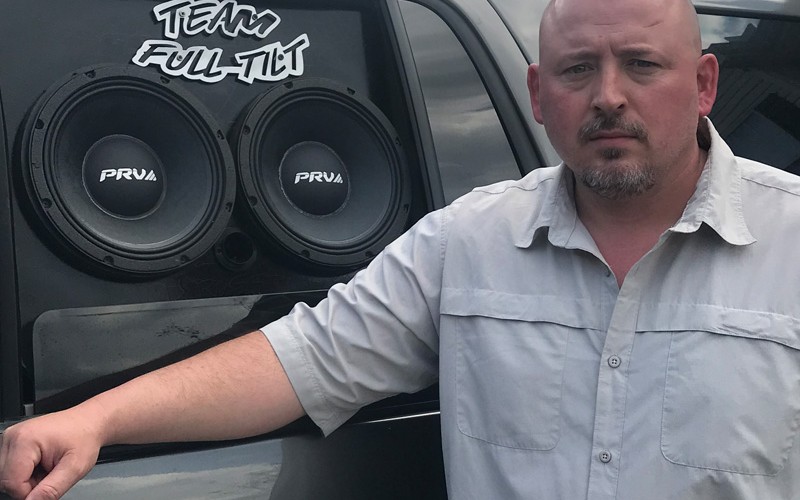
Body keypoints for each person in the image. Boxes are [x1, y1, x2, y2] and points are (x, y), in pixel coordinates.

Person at [3, 0, 800, 498]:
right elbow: (303, 360)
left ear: (703, 84)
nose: (608, 96)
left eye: (642, 65)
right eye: (577, 70)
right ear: (537, 94)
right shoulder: (469, 242)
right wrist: (95, 419)